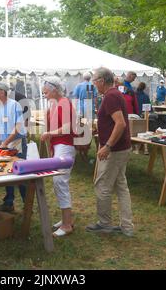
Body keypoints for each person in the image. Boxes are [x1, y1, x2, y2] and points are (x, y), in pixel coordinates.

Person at [86, 67, 134, 237]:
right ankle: (127, 227)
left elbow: (120, 123)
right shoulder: (114, 95)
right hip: (121, 147)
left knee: (102, 186)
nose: (93, 84)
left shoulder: (111, 96)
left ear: (101, 81)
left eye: (94, 81)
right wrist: (101, 131)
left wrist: (107, 145)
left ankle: (104, 223)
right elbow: (115, 123)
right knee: (121, 186)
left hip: (114, 150)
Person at [41, 77, 77, 237]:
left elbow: (68, 127)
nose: (45, 95)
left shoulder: (65, 103)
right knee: (59, 182)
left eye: (46, 92)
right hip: (58, 146)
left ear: (55, 90)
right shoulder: (55, 104)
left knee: (59, 181)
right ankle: (66, 219)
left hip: (65, 146)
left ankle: (67, 224)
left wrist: (50, 133)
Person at [0, 81, 27, 212]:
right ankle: (9, 203)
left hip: (17, 143)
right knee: (6, 173)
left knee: (20, 174)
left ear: (2, 92)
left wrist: (5, 142)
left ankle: (27, 202)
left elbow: (18, 128)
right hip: (5, 143)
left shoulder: (15, 105)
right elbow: (0, 128)